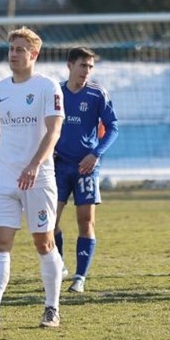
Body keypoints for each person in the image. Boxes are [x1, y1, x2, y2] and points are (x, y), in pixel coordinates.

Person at [0, 27, 65, 332]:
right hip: (6, 181)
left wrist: (35, 164)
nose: (13, 54)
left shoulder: (48, 87)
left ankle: (52, 308)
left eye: (20, 49)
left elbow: (54, 132)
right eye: (11, 48)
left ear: (33, 54)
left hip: (38, 179)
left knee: (43, 242)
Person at [53, 46, 119, 294]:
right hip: (58, 166)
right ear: (70, 65)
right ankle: (58, 265)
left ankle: (80, 276)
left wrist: (95, 153)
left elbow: (113, 127)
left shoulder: (97, 93)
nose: (87, 71)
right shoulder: (55, 93)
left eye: (90, 67)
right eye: (83, 65)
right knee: (50, 222)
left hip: (86, 168)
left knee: (86, 221)